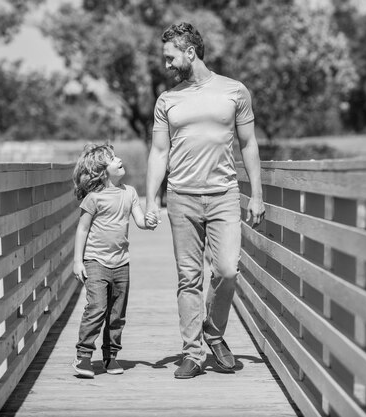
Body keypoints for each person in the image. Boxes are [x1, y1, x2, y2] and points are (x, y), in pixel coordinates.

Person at [145, 22, 265, 379]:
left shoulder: (234, 91)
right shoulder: (167, 100)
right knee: (188, 277)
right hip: (181, 198)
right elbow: (159, 151)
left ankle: (212, 331)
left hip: (224, 195)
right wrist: (151, 199)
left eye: (170, 58)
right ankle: (193, 352)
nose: (166, 65)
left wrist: (257, 195)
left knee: (228, 269)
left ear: (190, 52)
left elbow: (248, 144)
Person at [71, 144, 158, 378]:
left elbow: (139, 221)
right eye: (112, 158)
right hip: (95, 261)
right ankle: (84, 357)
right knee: (97, 308)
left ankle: (111, 356)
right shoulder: (93, 198)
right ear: (102, 170)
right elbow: (82, 229)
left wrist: (148, 222)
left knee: (117, 313)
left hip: (121, 263)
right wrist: (78, 261)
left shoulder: (129, 192)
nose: (119, 159)